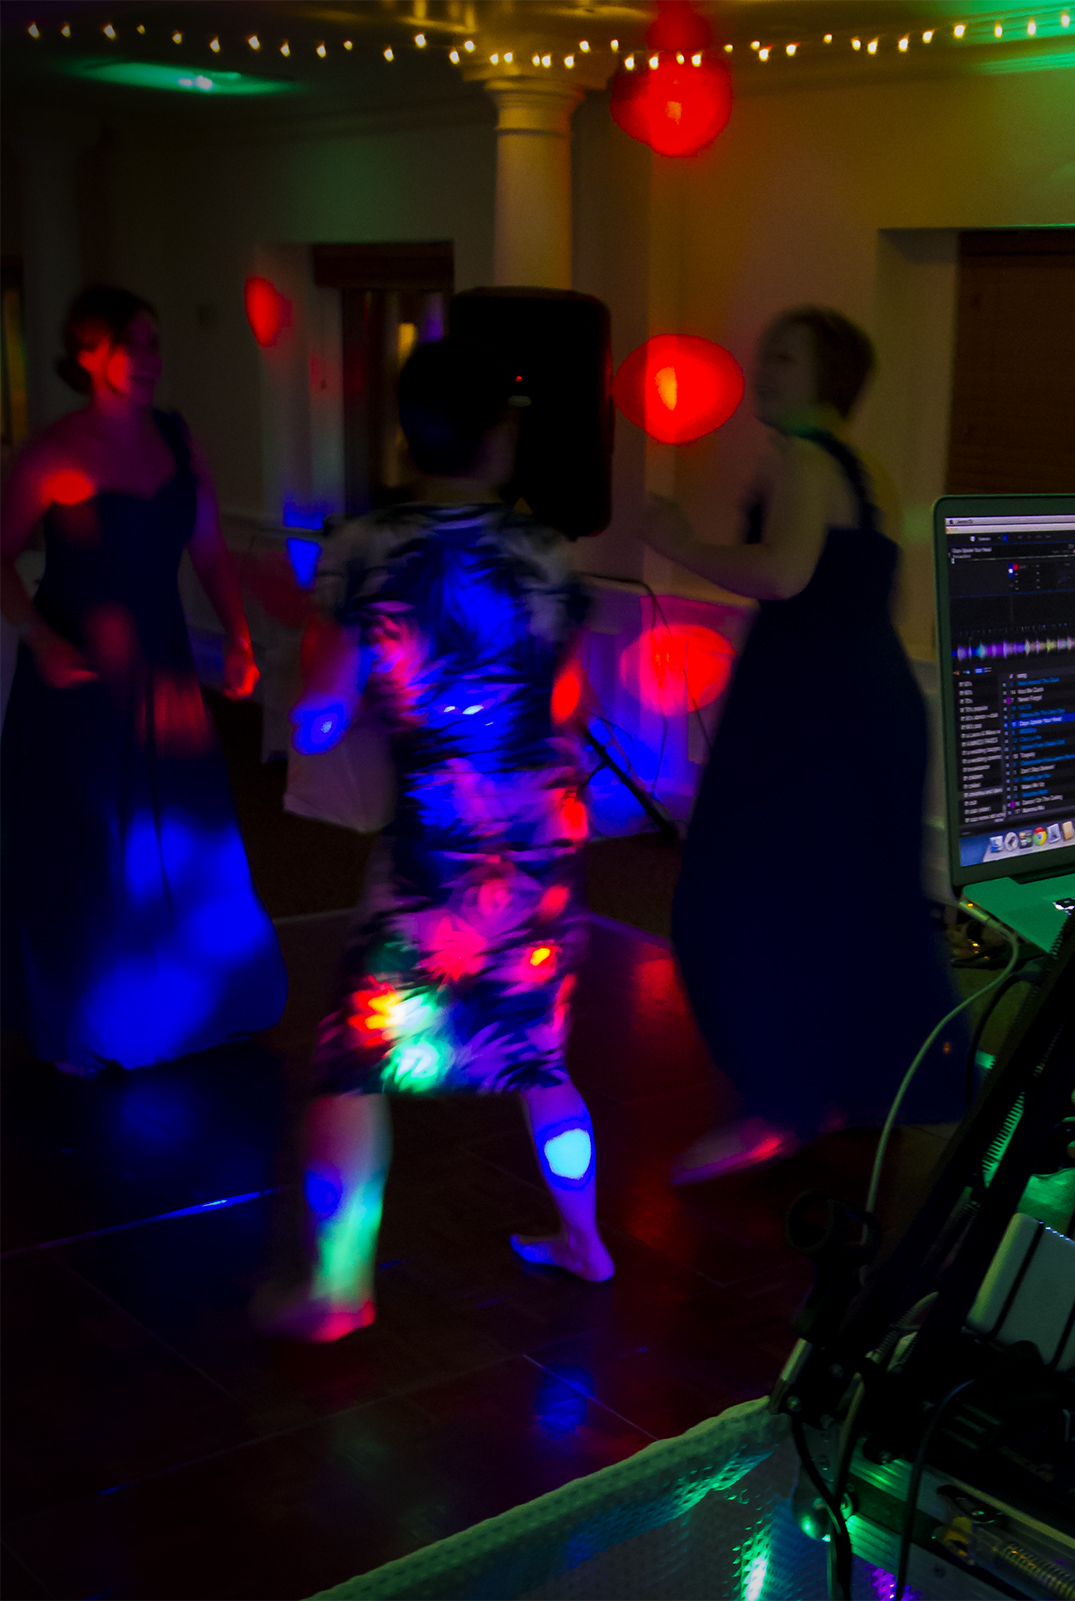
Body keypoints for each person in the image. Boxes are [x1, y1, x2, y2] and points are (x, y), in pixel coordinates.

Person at [257, 338, 610, 1343]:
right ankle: (585, 1239)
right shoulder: (548, 549)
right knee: (538, 1051)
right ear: (495, 436)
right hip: (540, 833)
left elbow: (321, 719)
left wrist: (313, 649)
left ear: (412, 433)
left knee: (353, 1055)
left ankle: (339, 1286)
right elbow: (570, 707)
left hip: (438, 843)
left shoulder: (367, 546)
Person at [638, 306, 966, 1184]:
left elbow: (784, 574)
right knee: (846, 902)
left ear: (828, 376)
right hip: (871, 699)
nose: (763, 366)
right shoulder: (864, 468)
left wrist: (681, 542)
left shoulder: (805, 461)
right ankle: (836, 1090)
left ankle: (775, 1106)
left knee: (728, 900)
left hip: (808, 704)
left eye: (785, 356)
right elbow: (874, 590)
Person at [0, 285, 285, 1073]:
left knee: (183, 829)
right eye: (133, 343)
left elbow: (209, 548)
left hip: (162, 667)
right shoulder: (53, 452)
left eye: (155, 342)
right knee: (94, 839)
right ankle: (94, 1005)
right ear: (89, 353)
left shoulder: (177, 436)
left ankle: (197, 995)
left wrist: (238, 637)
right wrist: (40, 638)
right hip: (80, 675)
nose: (151, 359)